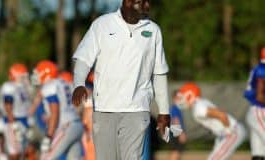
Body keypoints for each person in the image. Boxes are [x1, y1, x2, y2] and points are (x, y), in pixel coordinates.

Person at [72, 0, 171, 159]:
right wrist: (78, 84)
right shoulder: (102, 25)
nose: (147, 6)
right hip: (104, 109)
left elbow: (159, 73)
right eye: (141, 2)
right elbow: (83, 59)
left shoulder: (153, 31)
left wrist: (164, 111)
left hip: (137, 110)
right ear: (128, 2)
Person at [176, 82, 246, 160]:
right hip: (225, 133)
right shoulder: (199, 105)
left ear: (190, 95)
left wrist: (228, 131)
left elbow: (222, 115)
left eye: (182, 96)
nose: (181, 100)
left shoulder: (199, 108)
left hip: (232, 131)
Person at [32, 60, 83, 160]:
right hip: (76, 125)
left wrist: (49, 136)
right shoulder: (64, 82)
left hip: (66, 127)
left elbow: (55, 111)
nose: (36, 76)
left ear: (46, 74)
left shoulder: (49, 86)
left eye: (38, 73)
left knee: (46, 157)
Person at [0, 63, 31, 160]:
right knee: (14, 153)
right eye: (23, 76)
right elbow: (8, 105)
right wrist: (13, 124)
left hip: (23, 122)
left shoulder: (23, 87)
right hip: (14, 121)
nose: (25, 78)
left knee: (22, 153)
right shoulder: (9, 86)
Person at [244, 47, 265, 160]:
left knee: (258, 152)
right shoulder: (263, 70)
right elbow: (260, 96)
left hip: (256, 110)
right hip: (259, 110)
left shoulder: (259, 68)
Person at [169, 91, 187, 160]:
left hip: (174, 131)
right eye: (179, 98)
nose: (181, 99)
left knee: (176, 152)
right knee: (176, 152)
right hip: (175, 131)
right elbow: (176, 120)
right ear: (174, 98)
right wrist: (181, 134)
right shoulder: (175, 108)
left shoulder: (177, 108)